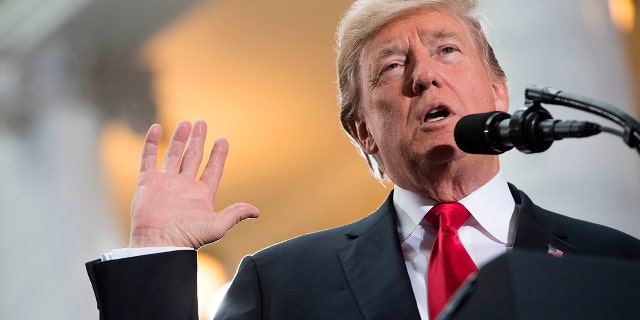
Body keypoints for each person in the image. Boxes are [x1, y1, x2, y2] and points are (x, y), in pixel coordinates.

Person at [86, 0, 640, 319]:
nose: (425, 74)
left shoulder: (613, 262)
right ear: (362, 131)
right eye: (392, 67)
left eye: (446, 49)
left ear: (499, 92)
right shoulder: (280, 283)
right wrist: (155, 255)